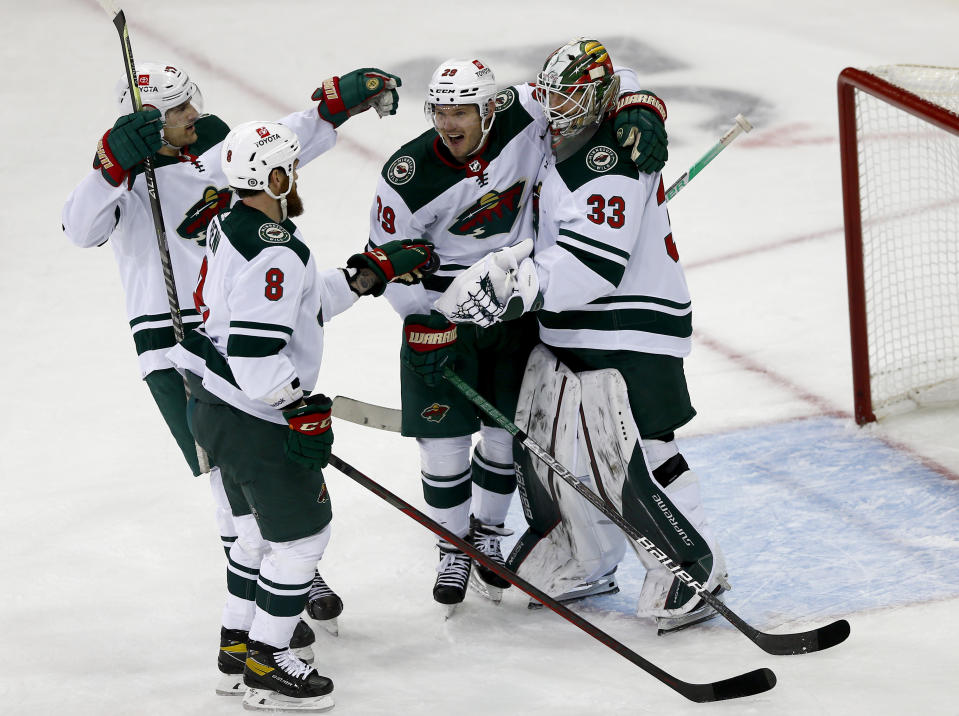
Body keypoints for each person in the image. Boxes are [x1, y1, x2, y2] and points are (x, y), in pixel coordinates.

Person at [61, 62, 401, 686]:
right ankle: (278, 583)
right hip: (175, 348)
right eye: (179, 110)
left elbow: (276, 148)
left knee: (255, 475)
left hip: (232, 325)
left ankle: (276, 575)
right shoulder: (128, 175)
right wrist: (111, 166)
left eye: (193, 103)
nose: (194, 114)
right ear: (146, 120)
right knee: (228, 479)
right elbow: (78, 229)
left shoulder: (212, 153)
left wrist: (334, 109)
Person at [433, 38, 728, 633]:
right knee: (553, 438)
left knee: (640, 446)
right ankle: (580, 552)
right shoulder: (565, 121)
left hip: (631, 325)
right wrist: (641, 95)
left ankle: (695, 565)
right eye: (554, 93)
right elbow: (618, 74)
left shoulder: (613, 159)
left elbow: (594, 267)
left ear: (600, 98)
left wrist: (520, 291)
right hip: (570, 325)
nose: (557, 106)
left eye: (573, 95)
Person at [366, 53, 669, 612]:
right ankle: (452, 547)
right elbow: (382, 258)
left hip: (512, 308)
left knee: (507, 433)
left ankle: (487, 534)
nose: (449, 123)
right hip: (444, 314)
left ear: (490, 106)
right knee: (444, 444)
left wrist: (640, 106)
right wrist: (420, 319)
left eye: (462, 111)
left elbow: (600, 78)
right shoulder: (405, 175)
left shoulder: (526, 110)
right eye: (440, 111)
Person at [167, 120, 436, 710]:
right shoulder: (276, 250)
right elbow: (257, 350)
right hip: (251, 413)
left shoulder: (231, 225)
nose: (297, 179)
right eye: (292, 168)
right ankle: (270, 666)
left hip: (210, 403)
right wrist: (297, 408)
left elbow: (295, 305)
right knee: (303, 538)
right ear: (275, 176)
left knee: (257, 534)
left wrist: (369, 274)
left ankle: (236, 651)